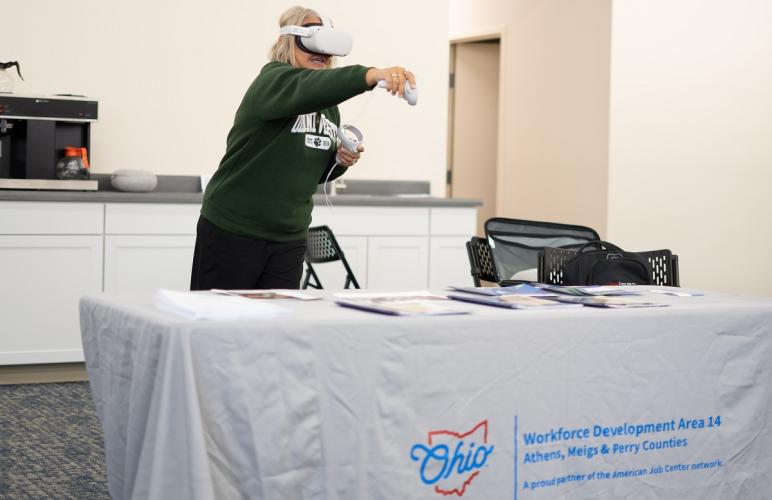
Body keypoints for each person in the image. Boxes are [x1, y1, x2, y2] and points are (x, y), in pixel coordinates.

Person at [191, 6, 415, 291]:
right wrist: (370, 75)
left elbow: (310, 169)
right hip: (233, 230)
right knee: (218, 325)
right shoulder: (272, 81)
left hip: (289, 238)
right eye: (310, 41)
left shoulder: (328, 107)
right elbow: (308, 87)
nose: (322, 52)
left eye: (327, 46)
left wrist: (339, 160)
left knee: (275, 326)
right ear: (287, 41)